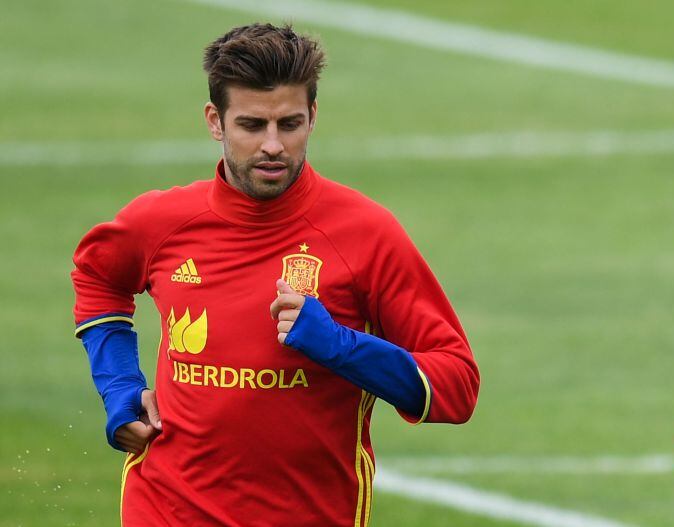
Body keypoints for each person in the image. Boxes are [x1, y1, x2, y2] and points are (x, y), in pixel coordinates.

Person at [71, 23, 479, 526]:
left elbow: (456, 386)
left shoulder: (366, 235)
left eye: (289, 124)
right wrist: (119, 387)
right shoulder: (160, 223)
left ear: (312, 118)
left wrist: (340, 346)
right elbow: (98, 277)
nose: (272, 146)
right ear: (215, 122)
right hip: (166, 509)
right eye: (251, 125)